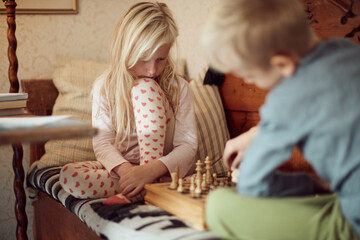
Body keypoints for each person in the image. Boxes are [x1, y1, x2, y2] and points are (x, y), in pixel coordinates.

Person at [200, 0, 360, 239]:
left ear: (282, 64)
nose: (252, 82)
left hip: (353, 223)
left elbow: (253, 186)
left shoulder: (287, 98)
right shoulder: (345, 50)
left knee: (217, 204)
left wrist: (314, 182)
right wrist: (259, 132)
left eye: (250, 75)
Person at [59, 1, 198, 204]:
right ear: (125, 50)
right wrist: (129, 173)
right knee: (69, 175)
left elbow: (187, 145)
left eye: (160, 59)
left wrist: (149, 171)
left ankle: (144, 186)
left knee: (145, 88)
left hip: (163, 169)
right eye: (143, 59)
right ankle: (144, 190)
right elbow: (103, 142)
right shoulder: (105, 86)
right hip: (127, 171)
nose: (152, 70)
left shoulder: (180, 88)